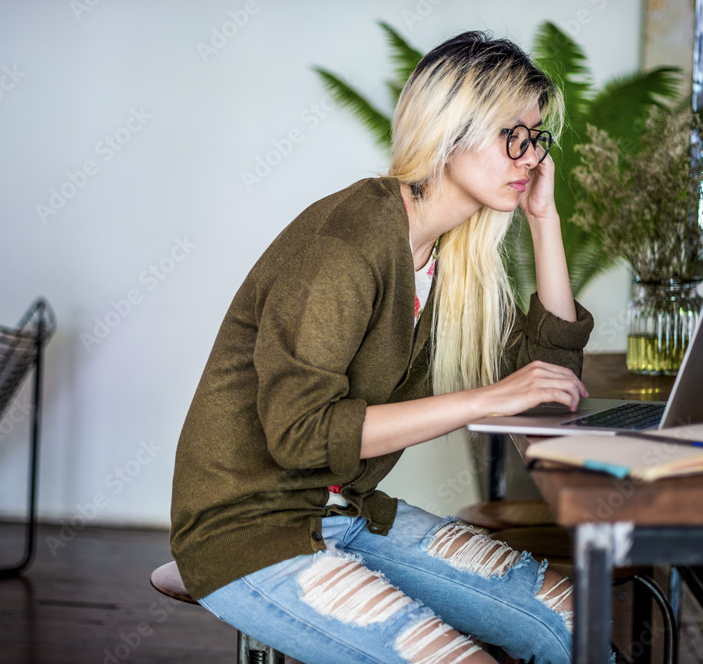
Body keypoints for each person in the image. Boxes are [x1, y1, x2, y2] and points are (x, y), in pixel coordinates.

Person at [170, 30, 594, 664]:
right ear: (452, 130)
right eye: (515, 135)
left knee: (573, 622)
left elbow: (548, 381)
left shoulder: (456, 258)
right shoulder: (348, 243)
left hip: (349, 510)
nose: (531, 157)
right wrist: (491, 396)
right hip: (251, 524)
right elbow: (301, 434)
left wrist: (544, 221)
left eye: (537, 139)